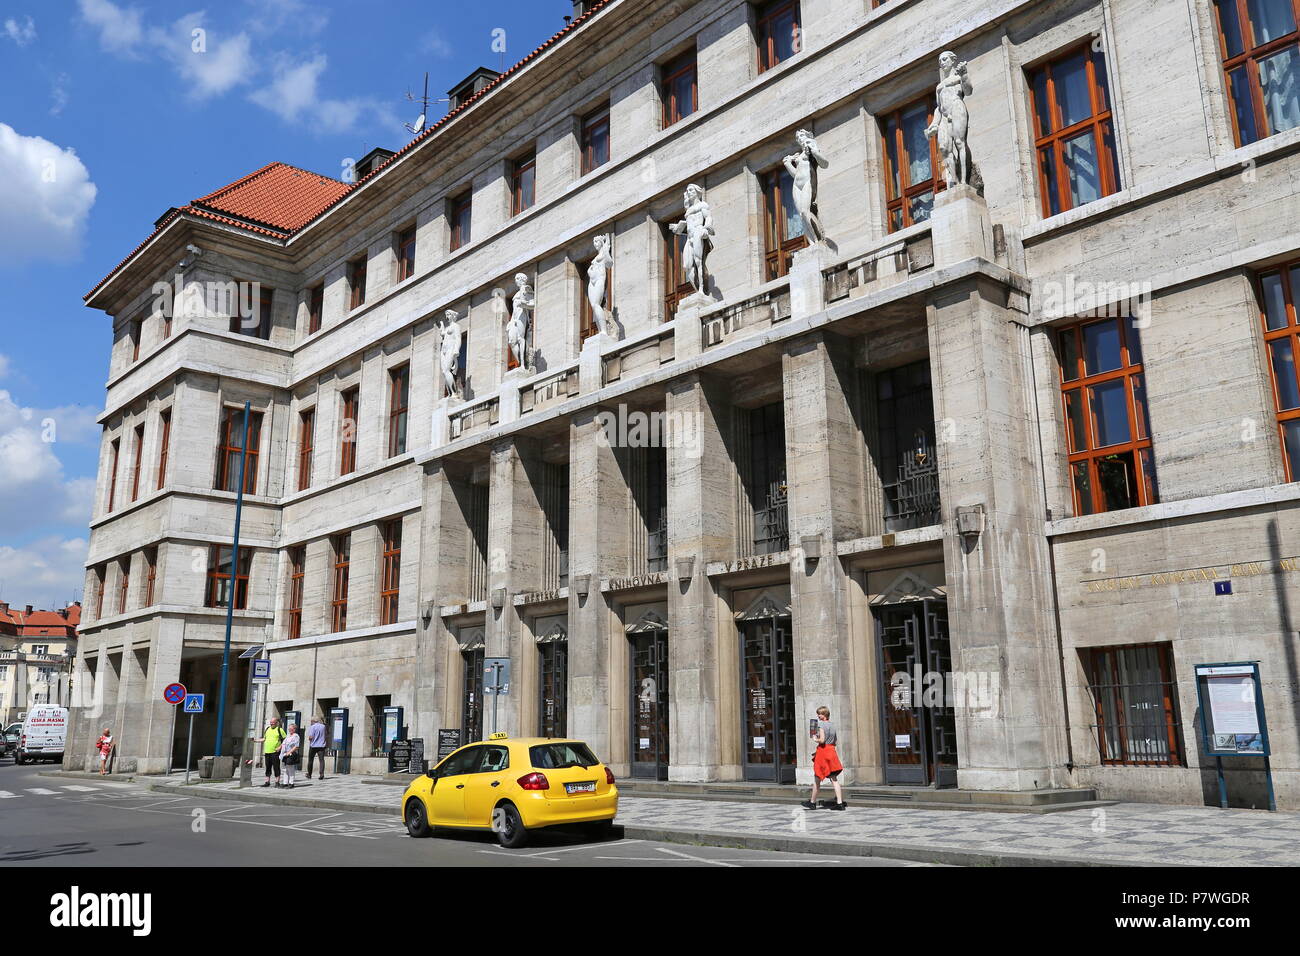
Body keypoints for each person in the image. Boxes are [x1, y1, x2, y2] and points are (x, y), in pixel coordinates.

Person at [802, 706, 846, 811]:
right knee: (834, 778)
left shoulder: (820, 724)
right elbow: (835, 741)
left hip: (823, 752)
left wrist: (815, 739)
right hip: (831, 751)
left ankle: (812, 803)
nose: (818, 716)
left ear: (824, 715)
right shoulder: (833, 725)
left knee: (817, 777)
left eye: (820, 714)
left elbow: (821, 740)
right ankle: (840, 803)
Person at [259, 716, 285, 788]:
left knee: (276, 767)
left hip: (275, 752)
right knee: (268, 767)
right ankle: (267, 782)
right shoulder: (267, 729)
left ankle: (277, 782)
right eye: (271, 723)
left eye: (273, 723)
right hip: (267, 751)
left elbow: (285, 741)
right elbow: (264, 739)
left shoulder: (280, 730)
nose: (271, 724)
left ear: (277, 723)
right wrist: (255, 740)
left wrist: (280, 747)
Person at [280, 723, 301, 789]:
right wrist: (279, 748)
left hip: (291, 754)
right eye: (289, 728)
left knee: (290, 768)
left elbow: (296, 746)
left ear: (294, 729)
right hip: (285, 754)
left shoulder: (296, 736)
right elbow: (284, 744)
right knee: (285, 769)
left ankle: (291, 783)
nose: (289, 729)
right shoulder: (288, 736)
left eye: (291, 728)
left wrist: (289, 752)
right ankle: (285, 783)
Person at [306, 716, 328, 780]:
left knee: (310, 760)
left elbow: (311, 737)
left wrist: (310, 740)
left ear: (313, 721)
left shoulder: (312, 727)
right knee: (321, 760)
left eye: (311, 721)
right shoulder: (323, 726)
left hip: (313, 746)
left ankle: (309, 774)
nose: (311, 722)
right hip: (321, 745)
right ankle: (321, 774)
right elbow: (326, 734)